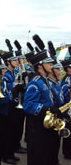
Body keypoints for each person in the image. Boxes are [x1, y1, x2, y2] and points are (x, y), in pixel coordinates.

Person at [23, 34, 59, 165]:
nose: (51, 64)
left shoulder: (47, 81)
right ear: (40, 66)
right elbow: (28, 105)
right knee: (39, 157)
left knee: (48, 156)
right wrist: (47, 108)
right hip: (38, 127)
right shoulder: (35, 83)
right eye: (48, 63)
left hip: (48, 125)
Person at [61, 54, 71, 160]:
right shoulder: (66, 80)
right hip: (68, 109)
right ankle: (67, 152)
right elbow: (63, 96)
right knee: (69, 132)